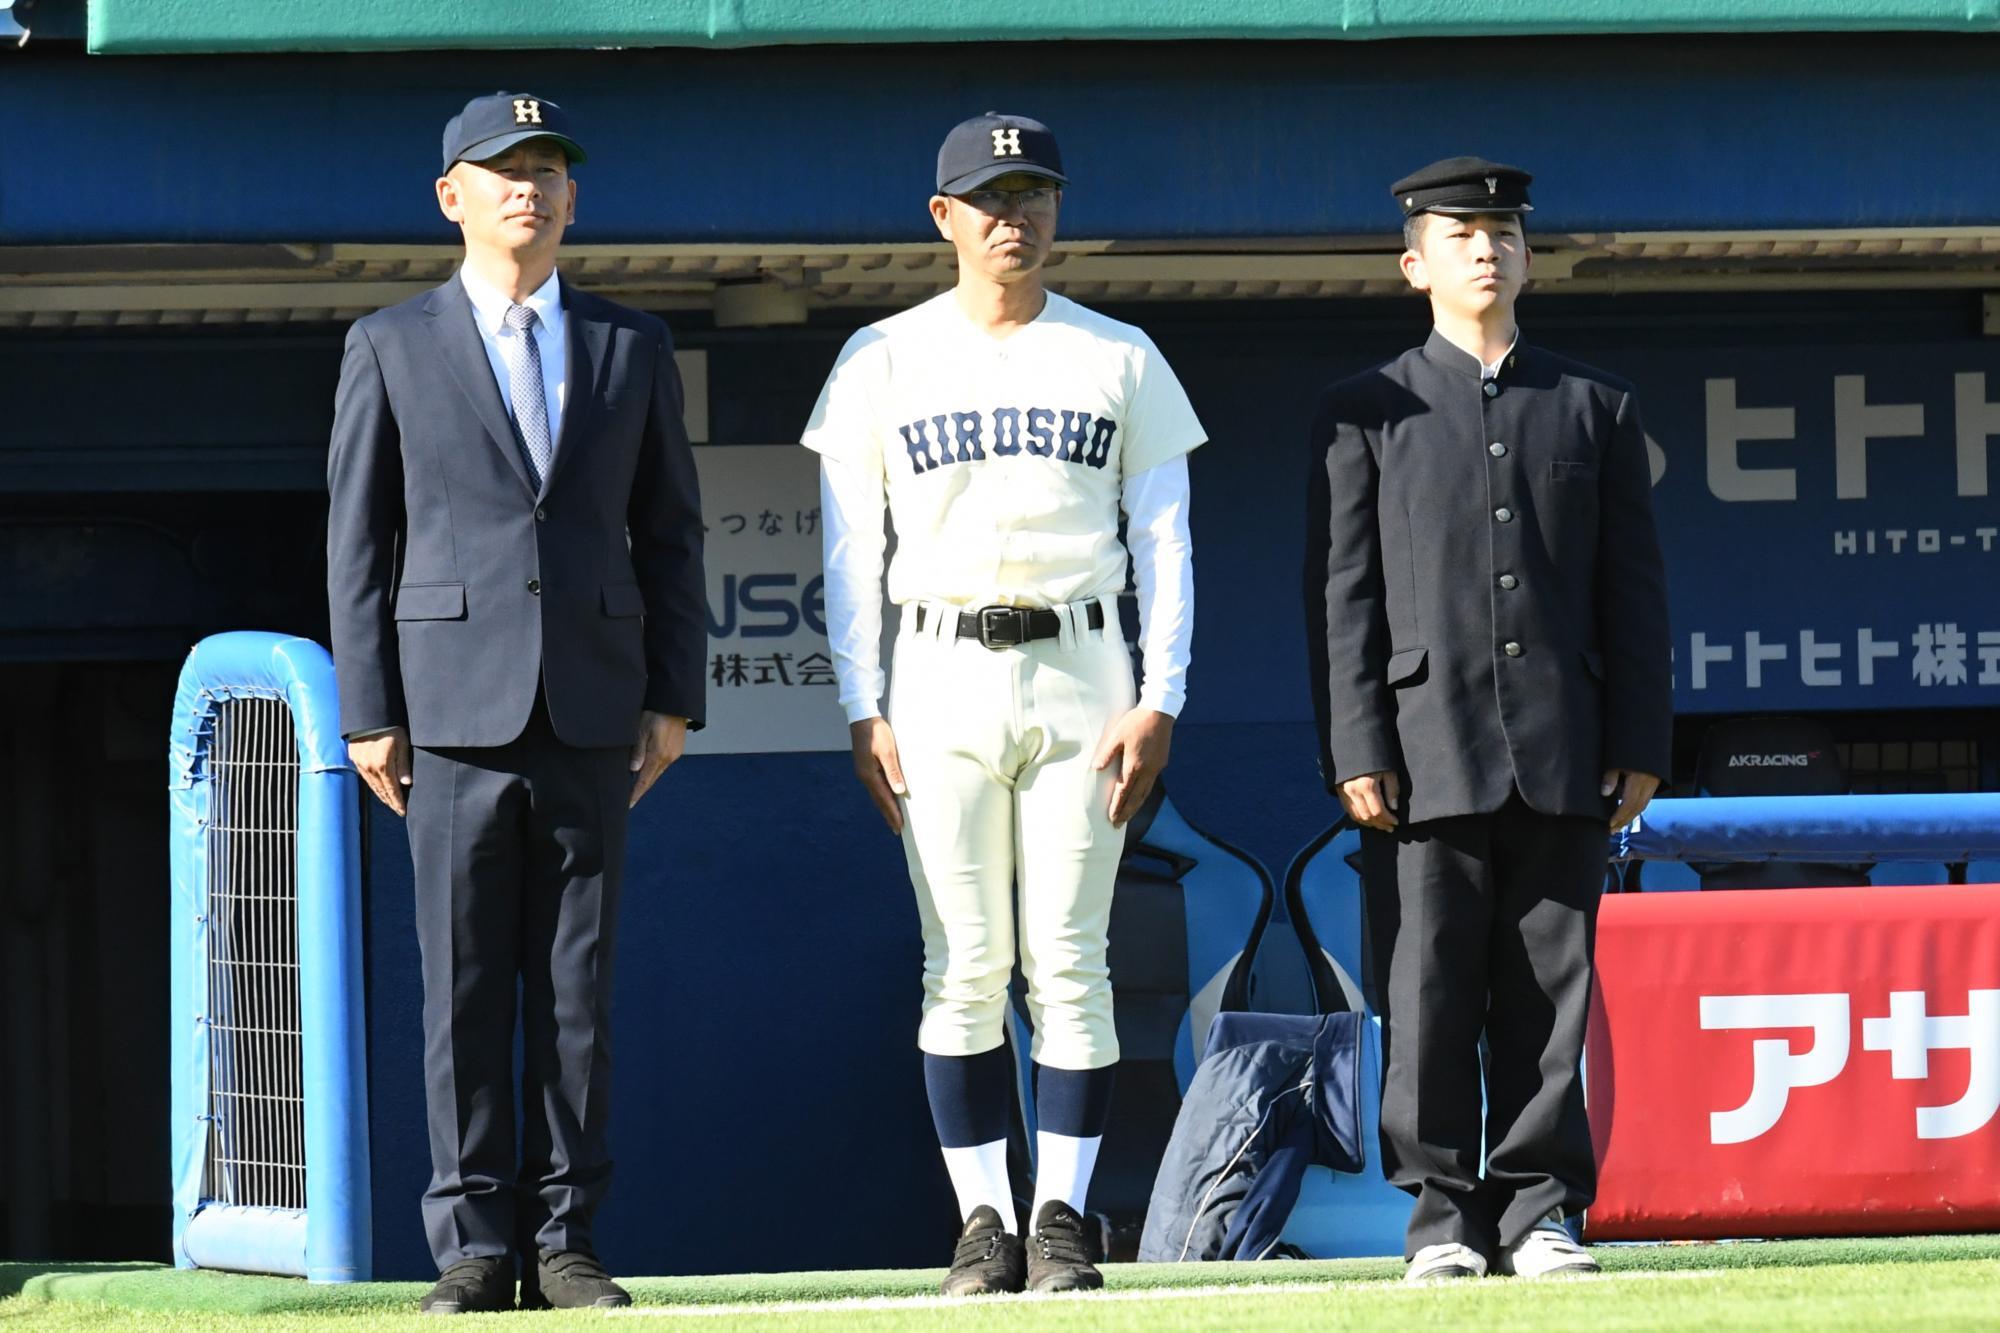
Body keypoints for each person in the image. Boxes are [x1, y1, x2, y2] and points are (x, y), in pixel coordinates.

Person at [800, 113, 1205, 1295]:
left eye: (1030, 193)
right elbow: (847, 552)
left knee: (1071, 960)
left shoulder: (1117, 353)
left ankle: (1061, 1219)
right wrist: (859, 705)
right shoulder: (880, 356)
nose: (1010, 216)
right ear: (944, 217)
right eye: (987, 196)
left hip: (1086, 667)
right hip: (935, 669)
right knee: (963, 961)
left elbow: (1165, 542)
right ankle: (983, 1220)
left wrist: (1161, 695)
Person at [325, 91, 706, 1314]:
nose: (527, 189)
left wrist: (673, 693)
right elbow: (359, 543)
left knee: (578, 992)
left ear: (572, 199)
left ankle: (566, 1238)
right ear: (453, 197)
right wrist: (366, 707)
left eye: (546, 170)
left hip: (596, 706)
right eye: (501, 171)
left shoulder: (627, 344)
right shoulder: (389, 343)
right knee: (465, 986)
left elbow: (670, 532)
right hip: (446, 710)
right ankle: (472, 1245)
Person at [1304, 156, 1671, 1282]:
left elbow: (1633, 588)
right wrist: (1354, 744)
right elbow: (1339, 592)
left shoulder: (1592, 405)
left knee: (1548, 991)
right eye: (1457, 234)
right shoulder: (1364, 412)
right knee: (1424, 989)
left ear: (1525, 256)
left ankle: (1540, 1211)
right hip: (1419, 752)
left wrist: (1639, 741)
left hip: (1564, 743)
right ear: (1412, 263)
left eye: (1502, 232)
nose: (1483, 249)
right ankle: (1439, 1222)